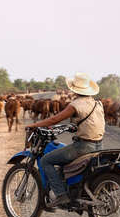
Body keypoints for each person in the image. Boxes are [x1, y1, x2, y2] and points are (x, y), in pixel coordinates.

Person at [25, 73, 105, 207]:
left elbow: (54, 119)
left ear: (74, 89)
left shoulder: (75, 105)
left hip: (83, 147)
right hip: (99, 145)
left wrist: (34, 125)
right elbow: (94, 123)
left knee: (46, 160)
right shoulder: (98, 104)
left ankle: (61, 195)